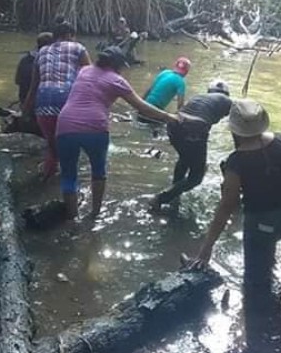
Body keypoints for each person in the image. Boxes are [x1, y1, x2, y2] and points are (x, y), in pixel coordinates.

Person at [188, 99, 281, 301]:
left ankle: (258, 314)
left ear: (235, 129)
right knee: (271, 240)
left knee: (254, 283)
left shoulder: (236, 161)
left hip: (262, 227)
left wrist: (206, 249)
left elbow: (226, 207)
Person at [56, 46, 179, 219]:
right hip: (95, 128)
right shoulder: (117, 80)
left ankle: (72, 218)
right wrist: (168, 117)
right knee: (98, 172)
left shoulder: (84, 70)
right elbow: (141, 107)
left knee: (68, 175)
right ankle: (94, 214)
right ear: (117, 65)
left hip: (65, 124)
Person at [151, 79, 232, 214]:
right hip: (195, 129)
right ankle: (161, 198)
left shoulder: (199, 98)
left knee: (184, 158)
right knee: (196, 177)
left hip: (174, 126)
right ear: (226, 93)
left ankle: (175, 193)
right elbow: (239, 128)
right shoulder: (227, 102)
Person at [23, 21, 91, 180]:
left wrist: (25, 111)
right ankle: (71, 193)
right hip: (67, 103)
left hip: (43, 104)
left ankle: (47, 181)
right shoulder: (78, 48)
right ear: (69, 35)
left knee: (53, 148)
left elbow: (34, 87)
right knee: (71, 149)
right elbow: (91, 78)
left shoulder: (41, 52)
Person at [140, 57, 191, 124]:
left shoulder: (164, 72)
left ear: (175, 66)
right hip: (156, 109)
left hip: (145, 104)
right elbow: (180, 105)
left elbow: (149, 89)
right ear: (186, 71)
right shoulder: (180, 82)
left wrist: (140, 103)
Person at [15, 32, 54, 105]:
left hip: (24, 99)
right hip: (39, 102)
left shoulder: (25, 59)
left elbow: (17, 81)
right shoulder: (49, 61)